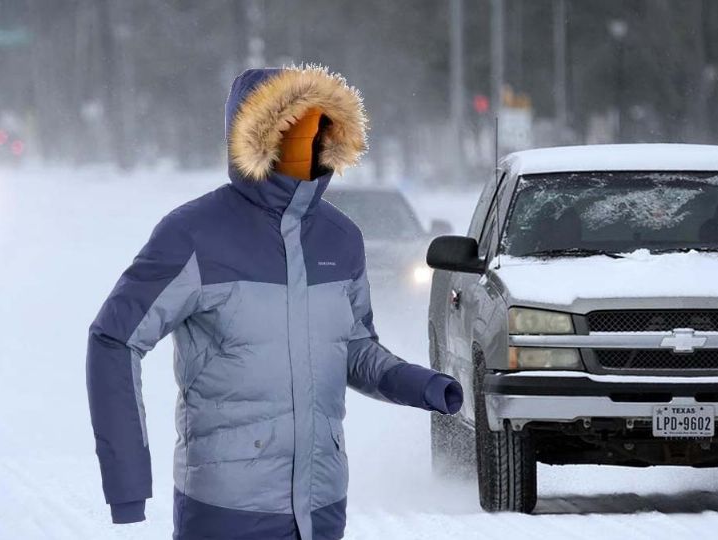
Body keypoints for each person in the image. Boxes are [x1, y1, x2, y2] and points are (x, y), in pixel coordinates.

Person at [86, 65, 463, 540]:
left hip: (322, 509)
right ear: (257, 136)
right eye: (292, 127)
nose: (310, 140)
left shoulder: (341, 239)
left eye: (319, 127)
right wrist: (127, 483)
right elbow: (113, 340)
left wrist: (421, 385)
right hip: (225, 513)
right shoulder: (194, 234)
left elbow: (353, 348)